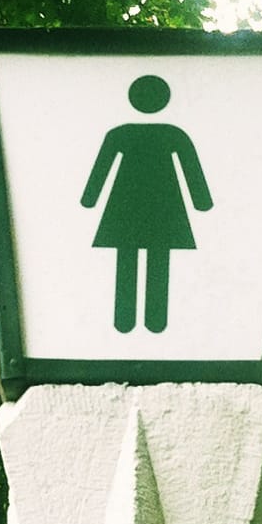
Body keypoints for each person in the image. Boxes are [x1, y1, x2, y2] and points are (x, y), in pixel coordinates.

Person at [80, 74, 213, 333]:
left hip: (125, 203)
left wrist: (90, 199)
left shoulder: (120, 133)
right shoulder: (173, 134)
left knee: (127, 257)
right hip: (165, 204)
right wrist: (201, 202)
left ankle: (125, 320)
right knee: (158, 258)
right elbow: (191, 169)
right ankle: (155, 320)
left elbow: (102, 168)